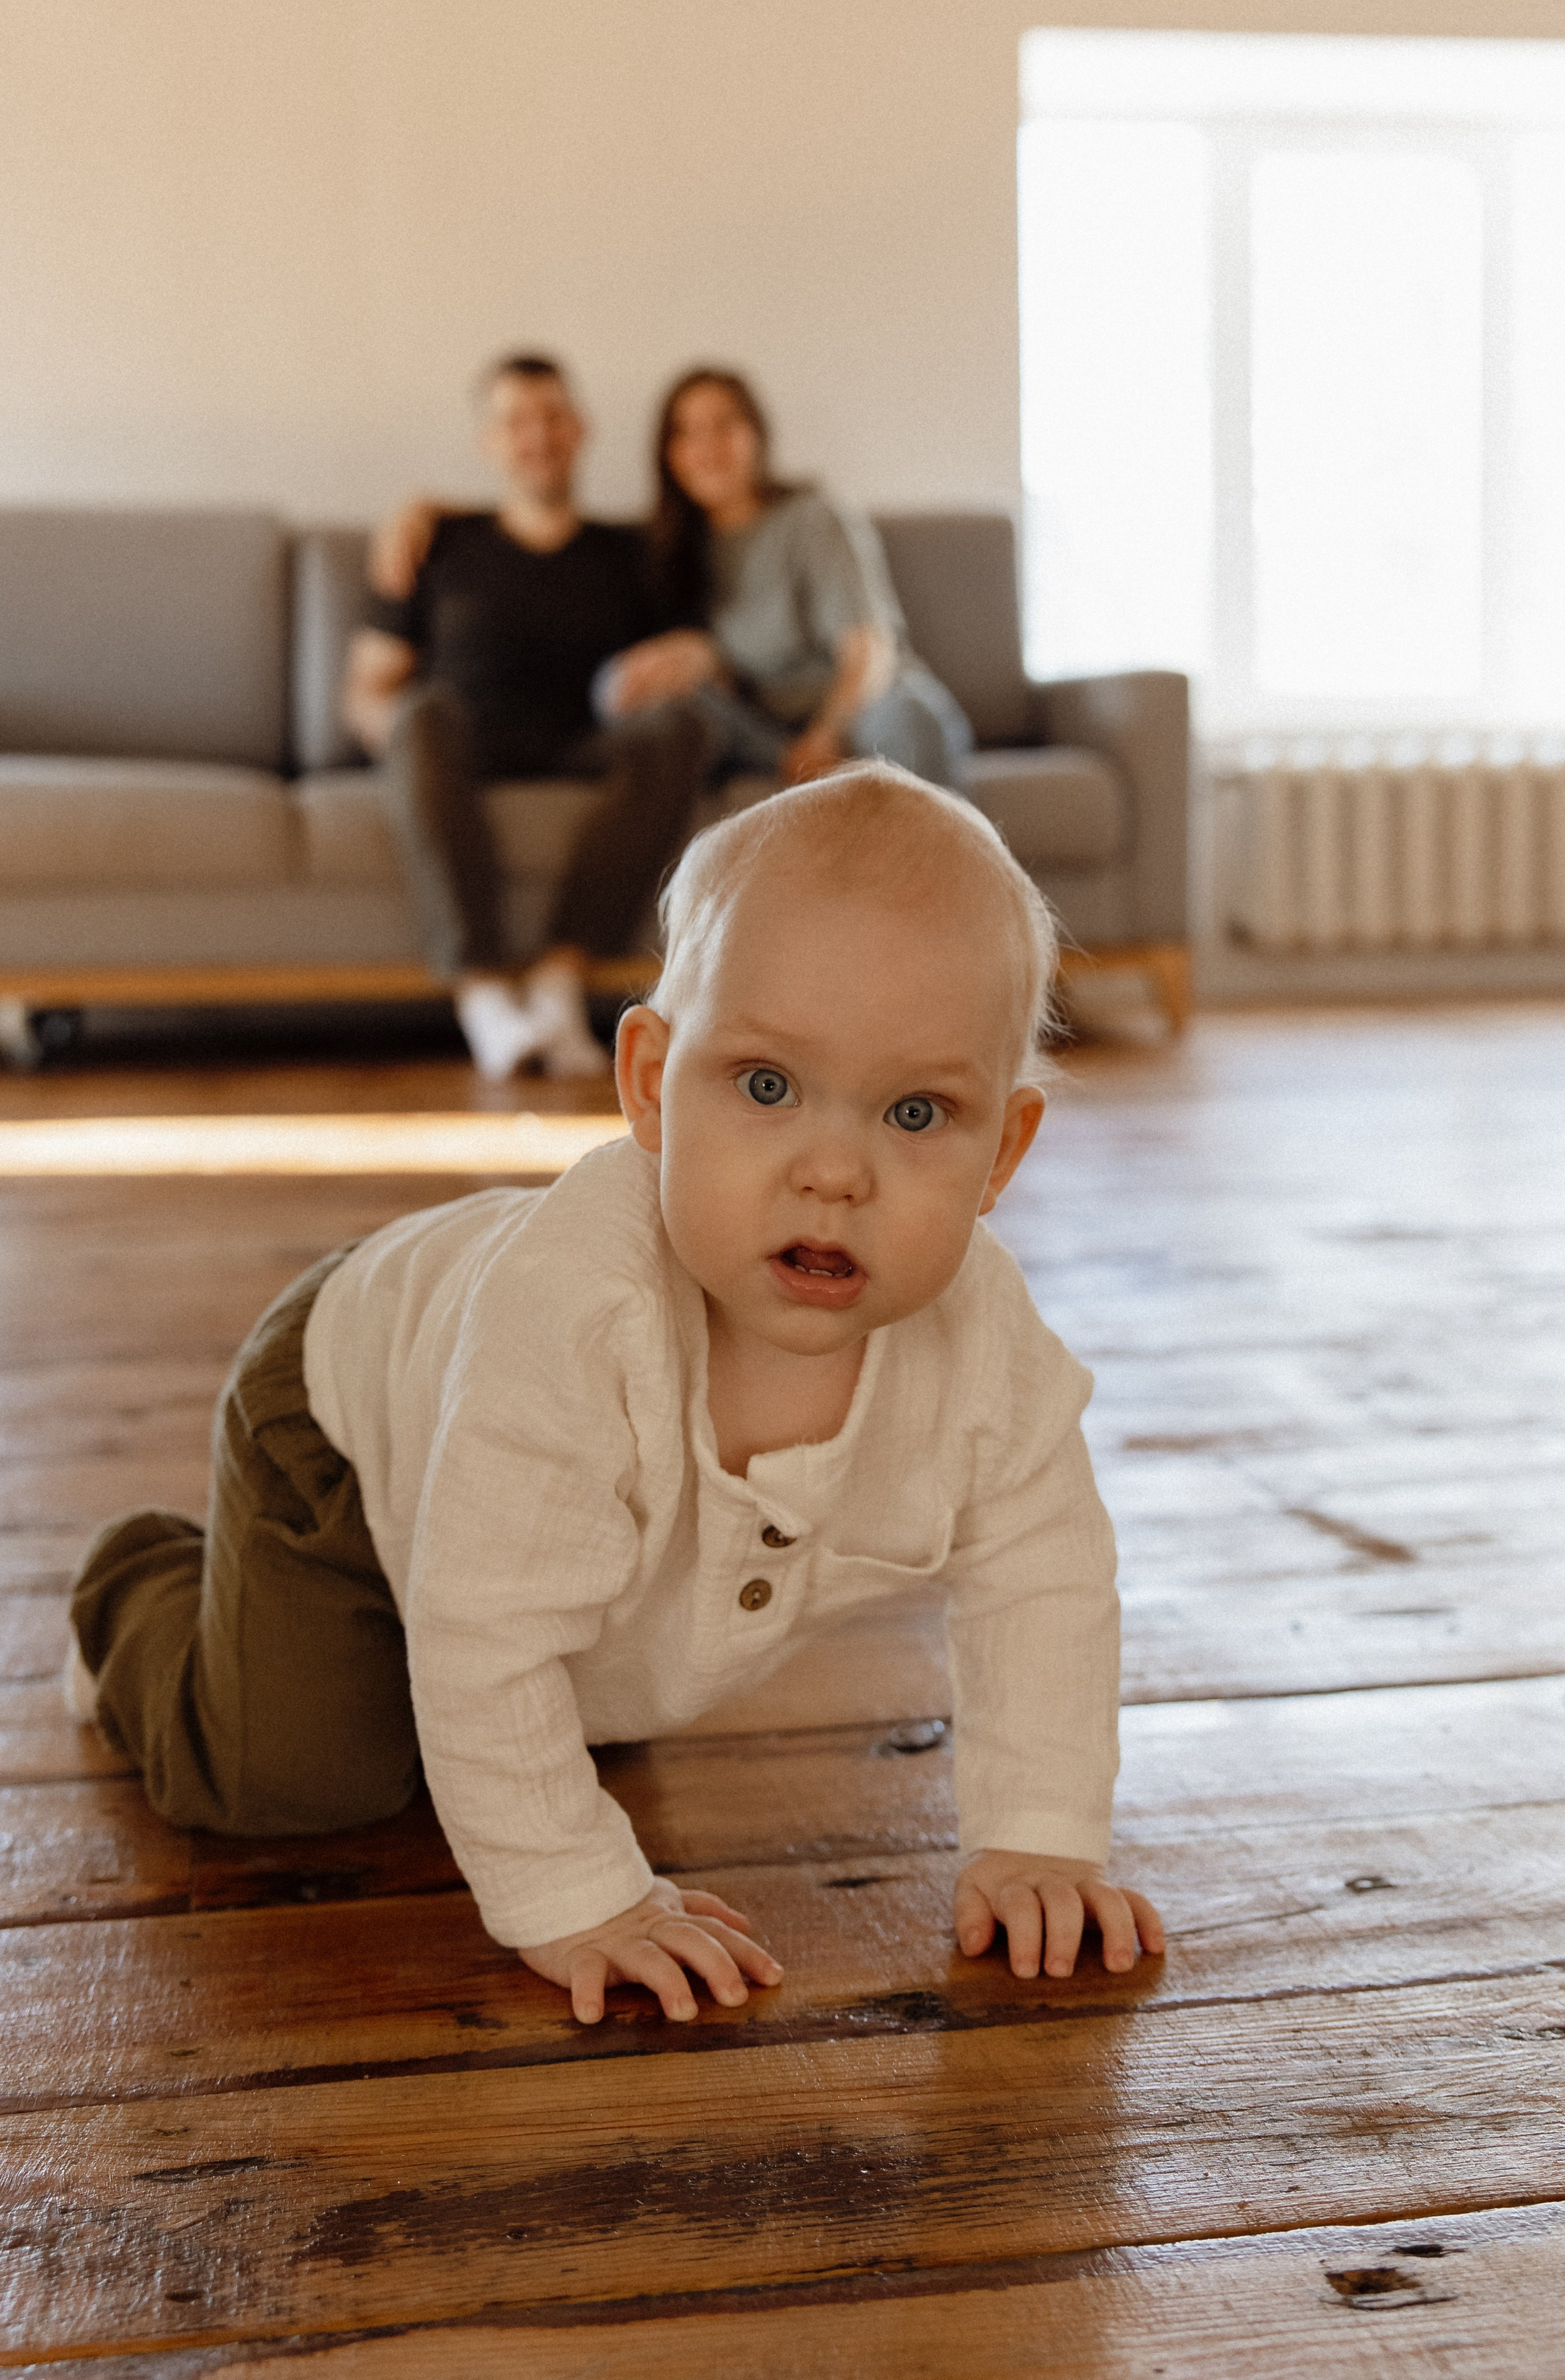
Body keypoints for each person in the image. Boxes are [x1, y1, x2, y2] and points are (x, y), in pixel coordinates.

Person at [63, 762, 1163, 2024]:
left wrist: (1036, 1834)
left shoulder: (986, 1350)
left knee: (561, 1684)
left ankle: (505, 1686)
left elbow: (1045, 1578)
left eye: (915, 1113)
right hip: (344, 1426)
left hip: (509, 1517)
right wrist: (577, 1895)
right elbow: (484, 1626)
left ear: (1001, 1153)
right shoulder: (576, 1320)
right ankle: (133, 1590)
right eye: (765, 1087)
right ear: (648, 1082)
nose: (831, 1172)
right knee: (291, 1778)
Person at [343, 353, 709, 1082]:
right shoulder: (438, 544)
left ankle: (557, 982)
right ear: (489, 441)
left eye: (552, 417)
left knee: (687, 727)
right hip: (461, 741)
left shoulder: (633, 552)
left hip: (589, 737)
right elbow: (366, 691)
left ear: (580, 430)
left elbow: (695, 651)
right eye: (516, 421)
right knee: (419, 714)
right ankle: (482, 995)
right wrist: (406, 742)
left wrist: (695, 657)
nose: (537, 436)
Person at [371, 366, 973, 797]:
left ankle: (940, 910)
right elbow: (521, 506)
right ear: (669, 454)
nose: (707, 447)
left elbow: (868, 655)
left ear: (756, 435)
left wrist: (827, 734)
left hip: (853, 708)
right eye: (687, 432)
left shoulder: (813, 518)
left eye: (724, 426)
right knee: (622, 685)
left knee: (901, 718)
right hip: (757, 731)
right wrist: (423, 509)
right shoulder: (665, 545)